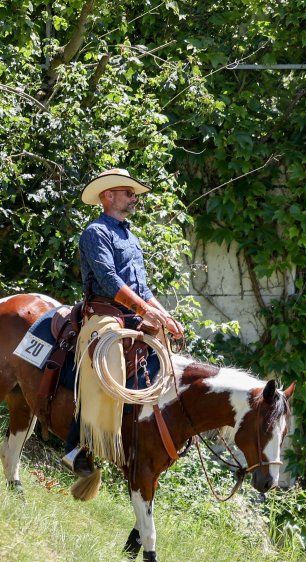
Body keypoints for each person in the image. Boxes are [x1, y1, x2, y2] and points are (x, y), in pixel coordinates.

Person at [60, 168, 184, 477]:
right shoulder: (95, 232)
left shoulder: (131, 237)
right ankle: (79, 447)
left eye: (134, 194)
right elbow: (109, 280)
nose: (134, 198)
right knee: (110, 362)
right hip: (104, 315)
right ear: (107, 196)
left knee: (170, 362)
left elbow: (143, 289)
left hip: (133, 315)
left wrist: (164, 317)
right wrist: (145, 311)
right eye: (128, 193)